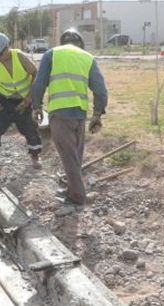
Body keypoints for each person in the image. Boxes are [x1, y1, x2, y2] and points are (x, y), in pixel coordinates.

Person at [31, 28, 108, 206]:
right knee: (75, 155)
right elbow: (101, 91)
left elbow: (39, 84)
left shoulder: (52, 54)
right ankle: (72, 189)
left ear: (62, 41)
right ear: (80, 43)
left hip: (60, 113)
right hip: (80, 114)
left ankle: (77, 196)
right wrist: (97, 115)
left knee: (68, 155)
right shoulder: (87, 57)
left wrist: (37, 106)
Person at [0, 32, 42, 170]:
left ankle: (36, 157)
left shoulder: (19, 56)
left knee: (29, 128)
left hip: (23, 100)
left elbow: (36, 74)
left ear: (7, 48)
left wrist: (29, 98)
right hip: (4, 100)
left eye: (0, 55)